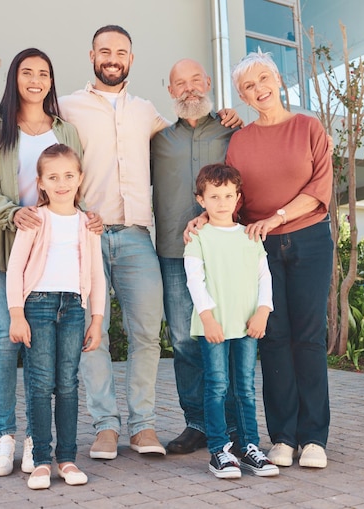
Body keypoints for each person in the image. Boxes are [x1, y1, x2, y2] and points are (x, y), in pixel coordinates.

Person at [0, 28, 241, 460]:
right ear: (92, 55)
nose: (113, 59)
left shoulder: (148, 112)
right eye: (105, 51)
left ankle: (143, 426)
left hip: (135, 236)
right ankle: (105, 427)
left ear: (131, 59)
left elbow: (186, 129)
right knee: (92, 337)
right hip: (84, 237)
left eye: (121, 52)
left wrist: (225, 116)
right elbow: (27, 122)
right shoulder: (68, 109)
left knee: (147, 334)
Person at [0, 48, 96, 477]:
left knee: (44, 354)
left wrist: (88, 216)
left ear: (51, 80)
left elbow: (79, 181)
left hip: (47, 254)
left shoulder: (66, 130)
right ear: (15, 79)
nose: (36, 80)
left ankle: (36, 437)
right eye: (27, 72)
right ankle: (4, 434)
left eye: (44, 73)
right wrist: (12, 213)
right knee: (6, 333)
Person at [225, 50, 334, 469]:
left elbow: (320, 186)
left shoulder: (308, 127)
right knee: (273, 338)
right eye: (248, 87)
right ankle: (283, 438)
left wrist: (278, 217)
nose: (259, 89)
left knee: (307, 337)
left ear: (278, 80)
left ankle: (314, 439)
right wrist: (205, 219)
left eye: (264, 79)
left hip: (308, 240)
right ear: (243, 97)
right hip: (262, 247)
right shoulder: (240, 140)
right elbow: (232, 197)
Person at [151, 59, 239, 454]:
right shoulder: (156, 140)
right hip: (174, 251)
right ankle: (198, 424)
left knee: (227, 336)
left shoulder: (231, 130)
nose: (188, 89)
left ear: (208, 83)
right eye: (179, 83)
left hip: (224, 251)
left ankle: (234, 425)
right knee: (185, 341)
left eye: (194, 81)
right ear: (170, 91)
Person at [7, 144, 105, 490]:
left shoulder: (87, 223)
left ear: (79, 179)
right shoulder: (35, 219)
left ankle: (67, 458)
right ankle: (41, 461)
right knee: (40, 383)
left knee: (67, 384)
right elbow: (15, 268)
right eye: (53, 177)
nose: (61, 183)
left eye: (68, 176)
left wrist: (96, 319)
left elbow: (96, 273)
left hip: (74, 309)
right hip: (38, 306)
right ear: (41, 183)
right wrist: (17, 315)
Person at [184, 163, 278, 479]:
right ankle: (219, 451)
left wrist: (263, 311)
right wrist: (208, 318)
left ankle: (250, 447)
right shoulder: (198, 237)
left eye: (228, 195)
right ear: (201, 199)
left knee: (245, 388)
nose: (222, 202)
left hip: (248, 324)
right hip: (215, 326)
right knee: (217, 386)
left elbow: (264, 276)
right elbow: (194, 281)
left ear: (237, 197)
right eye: (214, 196)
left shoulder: (249, 235)